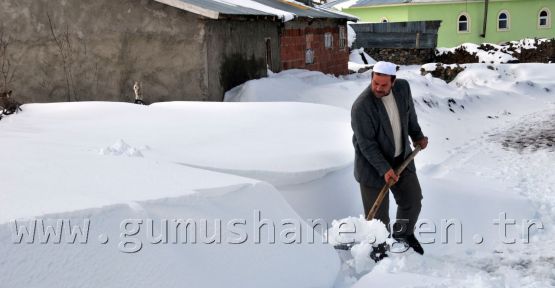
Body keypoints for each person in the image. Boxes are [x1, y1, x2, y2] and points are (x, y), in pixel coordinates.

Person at [351, 61, 428, 259]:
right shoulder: (362, 107)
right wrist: (384, 169)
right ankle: (379, 251)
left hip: (401, 159)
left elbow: (409, 116)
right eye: (375, 83)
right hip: (372, 166)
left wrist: (417, 135)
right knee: (378, 219)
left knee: (412, 201)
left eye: (384, 85)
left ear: (393, 82)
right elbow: (367, 145)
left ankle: (403, 234)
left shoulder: (403, 88)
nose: (378, 88)